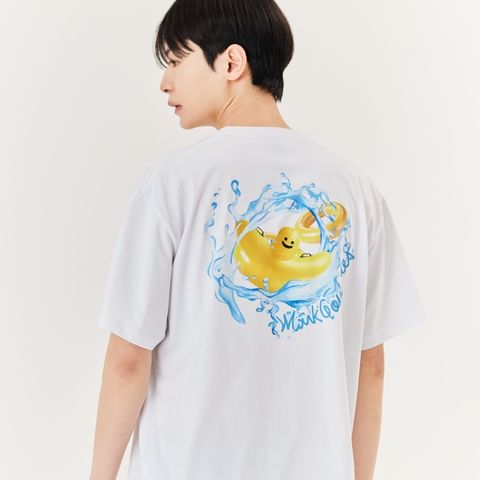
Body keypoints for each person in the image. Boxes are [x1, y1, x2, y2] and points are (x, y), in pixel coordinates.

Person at [90, 1, 427, 479]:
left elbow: (129, 359)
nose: (165, 82)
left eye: (176, 60)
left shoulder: (168, 187)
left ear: (231, 62)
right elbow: (370, 365)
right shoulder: (357, 192)